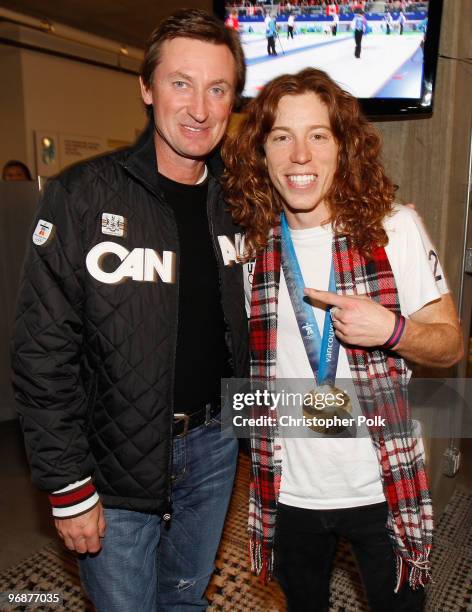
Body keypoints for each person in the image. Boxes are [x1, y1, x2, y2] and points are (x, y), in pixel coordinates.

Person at [11, 9, 249, 612]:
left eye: (217, 89)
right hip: (112, 466)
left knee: (186, 602)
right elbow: (41, 354)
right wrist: (68, 488)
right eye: (180, 83)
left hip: (214, 450)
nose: (199, 107)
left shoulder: (242, 205)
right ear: (146, 88)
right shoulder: (82, 195)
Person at [222, 68, 463, 611]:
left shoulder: (393, 228)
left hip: (382, 486)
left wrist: (392, 330)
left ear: (343, 147)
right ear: (262, 154)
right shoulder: (249, 246)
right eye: (281, 136)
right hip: (286, 491)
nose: (299, 155)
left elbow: (451, 345)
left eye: (318, 135)